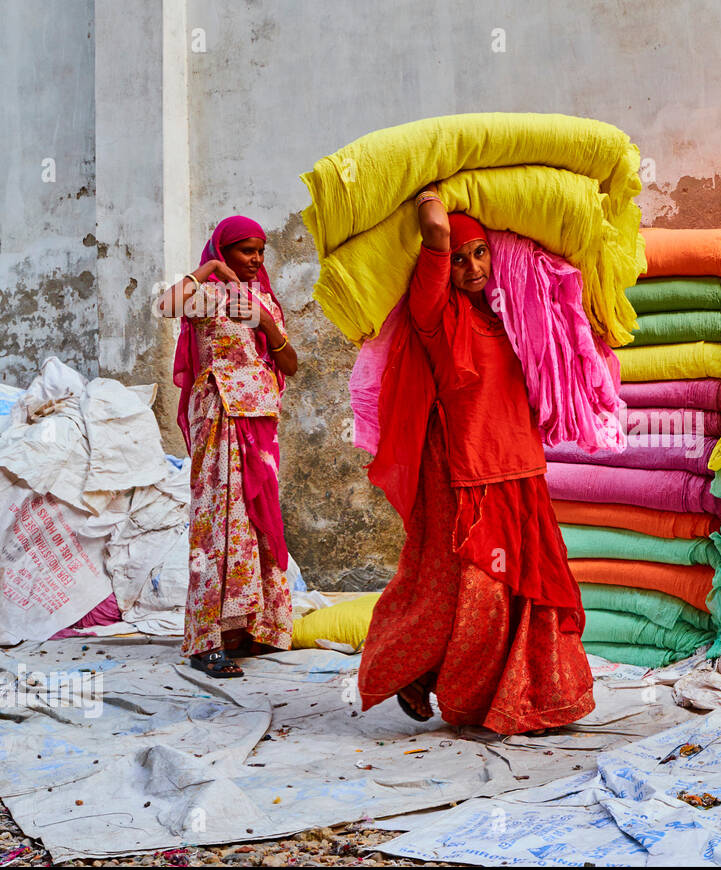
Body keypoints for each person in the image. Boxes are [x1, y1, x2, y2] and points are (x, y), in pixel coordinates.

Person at [357, 185, 594, 733]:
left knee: (527, 594)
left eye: (480, 252)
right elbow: (438, 231)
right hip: (466, 476)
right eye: (460, 259)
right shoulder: (435, 314)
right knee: (471, 596)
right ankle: (435, 679)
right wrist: (434, 188)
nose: (470, 266)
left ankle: (529, 698)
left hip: (522, 471)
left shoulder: (514, 318)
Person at [159, 216, 298, 678]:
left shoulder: (265, 302)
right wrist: (210, 268)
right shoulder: (207, 296)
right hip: (218, 415)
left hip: (259, 421)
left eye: (260, 251)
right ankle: (206, 640)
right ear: (223, 249)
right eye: (245, 251)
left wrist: (265, 324)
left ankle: (253, 629)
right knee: (217, 522)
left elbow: (290, 364)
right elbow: (165, 304)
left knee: (258, 523)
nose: (256, 260)